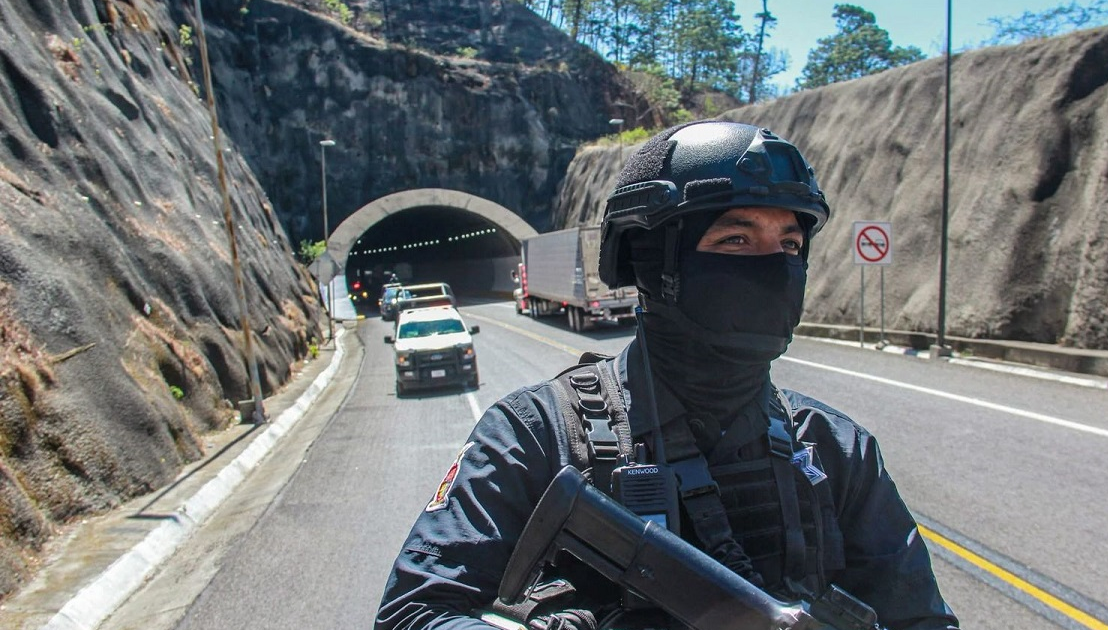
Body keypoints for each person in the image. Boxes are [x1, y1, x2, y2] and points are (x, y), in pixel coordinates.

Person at [376, 121, 959, 630]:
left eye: (789, 242)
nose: (774, 266)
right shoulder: (537, 435)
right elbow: (416, 611)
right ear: (654, 262)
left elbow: (921, 619)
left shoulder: (835, 448)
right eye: (736, 239)